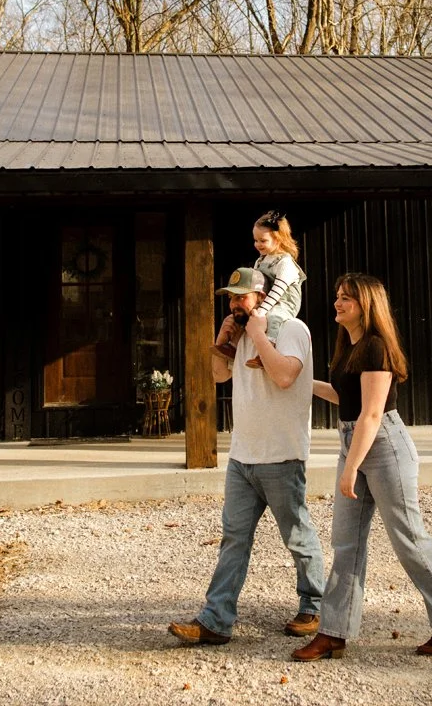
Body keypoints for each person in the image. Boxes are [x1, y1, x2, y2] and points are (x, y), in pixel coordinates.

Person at [291, 273, 432, 661]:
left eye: (346, 298)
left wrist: (350, 467)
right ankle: (333, 632)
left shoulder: (376, 347)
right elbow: (346, 397)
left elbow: (371, 413)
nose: (337, 303)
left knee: (408, 538)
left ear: (366, 305)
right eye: (338, 296)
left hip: (384, 448)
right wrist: (303, 382)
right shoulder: (349, 346)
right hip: (354, 443)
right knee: (346, 544)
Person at [169, 266, 326, 647]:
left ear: (263, 297)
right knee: (233, 540)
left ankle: (316, 607)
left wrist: (257, 334)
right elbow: (219, 376)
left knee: (297, 536)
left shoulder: (292, 329)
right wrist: (222, 341)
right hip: (242, 457)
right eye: (231, 299)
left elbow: (285, 377)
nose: (235, 304)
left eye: (242, 297)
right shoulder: (239, 335)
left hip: (281, 455)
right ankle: (216, 620)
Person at [213, 210, 306, 370]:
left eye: (263, 240)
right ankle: (232, 347)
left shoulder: (286, 263)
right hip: (266, 299)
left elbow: (277, 291)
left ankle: (268, 350)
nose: (257, 245)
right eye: (255, 240)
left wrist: (261, 312)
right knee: (242, 315)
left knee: (274, 317)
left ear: (278, 239)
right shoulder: (260, 261)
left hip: (284, 301)